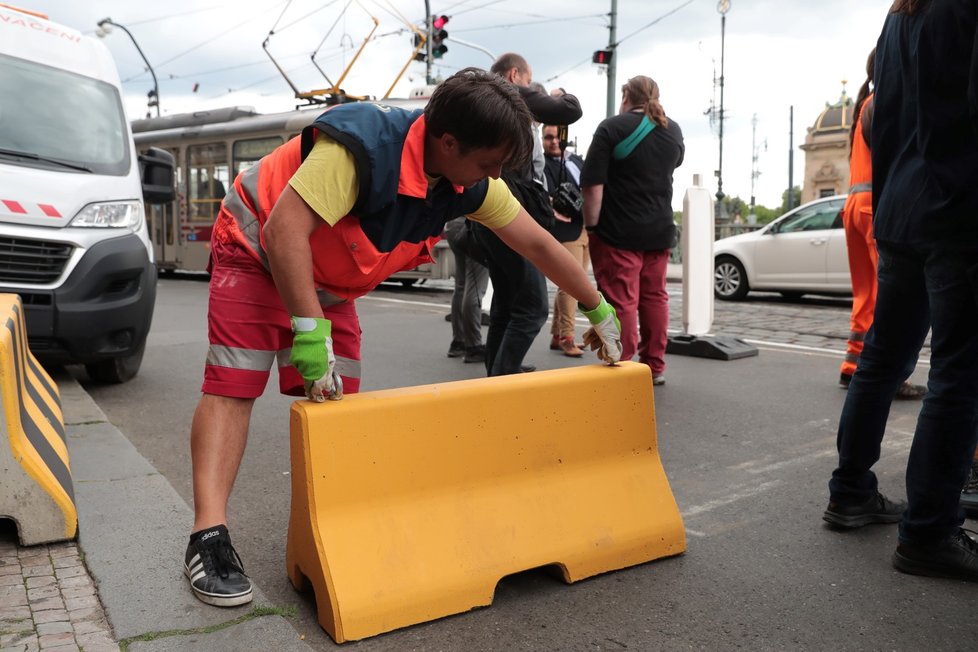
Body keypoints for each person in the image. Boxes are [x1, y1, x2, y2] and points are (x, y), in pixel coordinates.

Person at [184, 68, 623, 607]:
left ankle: (334, 532)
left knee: (334, 398)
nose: (491, 176)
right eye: (487, 163)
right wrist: (307, 332)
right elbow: (283, 230)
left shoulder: (468, 180)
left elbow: (539, 245)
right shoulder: (363, 150)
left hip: (325, 274)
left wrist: (598, 307)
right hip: (255, 245)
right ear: (447, 141)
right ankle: (209, 536)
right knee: (235, 384)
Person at [823, 0, 978, 581]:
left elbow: (880, 121)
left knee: (883, 358)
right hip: (959, 209)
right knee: (959, 374)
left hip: (903, 210)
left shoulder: (899, 15)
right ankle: (930, 530)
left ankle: (851, 492)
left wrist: (889, 205)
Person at [471, 52, 583, 376]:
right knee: (534, 307)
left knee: (507, 303)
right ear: (515, 75)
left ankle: (498, 373)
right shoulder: (505, 93)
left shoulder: (481, 97)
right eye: (527, 81)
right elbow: (570, 110)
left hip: (490, 214)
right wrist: (557, 97)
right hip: (507, 216)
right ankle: (504, 379)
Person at [580, 75, 684, 385]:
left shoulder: (612, 127)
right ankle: (654, 366)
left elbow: (592, 187)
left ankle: (622, 365)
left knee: (622, 301)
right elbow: (672, 165)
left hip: (619, 232)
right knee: (655, 298)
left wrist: (592, 226)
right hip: (660, 230)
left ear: (626, 96)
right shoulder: (672, 130)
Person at [836, 48, 925, 400]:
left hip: (855, 205)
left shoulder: (866, 104)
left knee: (867, 294)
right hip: (875, 206)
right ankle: (888, 374)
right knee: (891, 297)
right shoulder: (887, 100)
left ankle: (852, 366)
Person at [542, 122, 588, 358]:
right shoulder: (544, 164)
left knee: (573, 282)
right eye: (548, 137)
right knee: (570, 284)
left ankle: (557, 334)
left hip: (584, 227)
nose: (553, 142)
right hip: (565, 228)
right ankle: (568, 337)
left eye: (556, 137)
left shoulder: (576, 159)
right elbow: (548, 195)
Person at [444, 216, 489, 363]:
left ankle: (458, 341)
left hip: (453, 224)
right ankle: (473, 345)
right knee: (475, 286)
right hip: (472, 225)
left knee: (461, 285)